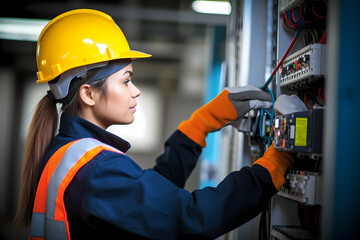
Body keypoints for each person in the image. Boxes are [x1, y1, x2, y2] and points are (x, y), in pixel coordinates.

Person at [15, 9, 294, 240]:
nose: (135, 90)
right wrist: (273, 166)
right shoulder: (97, 170)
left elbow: (149, 199)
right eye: (125, 80)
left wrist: (198, 126)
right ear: (88, 94)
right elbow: (190, 217)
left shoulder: (69, 154)